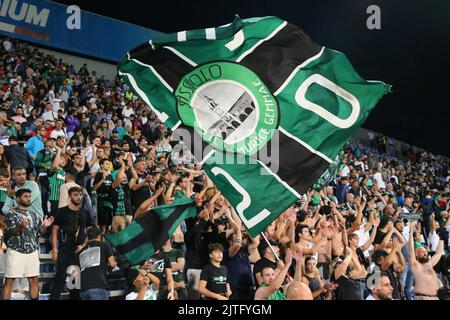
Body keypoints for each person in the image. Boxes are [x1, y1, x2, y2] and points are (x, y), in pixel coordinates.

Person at [2, 189, 54, 300]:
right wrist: (20, 226)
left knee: (34, 280)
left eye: (29, 196)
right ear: (18, 198)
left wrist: (44, 226)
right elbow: (9, 233)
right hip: (16, 251)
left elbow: (40, 233)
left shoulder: (34, 215)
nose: (28, 198)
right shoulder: (10, 214)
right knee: (9, 281)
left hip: (32, 251)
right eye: (25, 196)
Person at [51, 186, 93, 300]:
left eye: (80, 195)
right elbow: (54, 230)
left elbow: (91, 231)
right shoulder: (62, 211)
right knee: (60, 279)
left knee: (75, 284)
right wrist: (55, 249)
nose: (78, 197)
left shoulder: (85, 212)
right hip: (65, 249)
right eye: (75, 195)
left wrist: (84, 244)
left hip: (78, 250)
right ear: (70, 196)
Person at [77, 227, 117, 300]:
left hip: (83, 290)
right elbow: (112, 264)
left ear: (88, 237)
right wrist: (109, 268)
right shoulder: (104, 245)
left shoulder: (81, 251)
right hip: (98, 286)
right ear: (99, 236)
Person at [408, 220, 445, 300]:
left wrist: (442, 238)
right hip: (422, 297)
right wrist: (411, 232)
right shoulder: (415, 265)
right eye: (422, 252)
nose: (425, 253)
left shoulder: (429, 264)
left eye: (426, 252)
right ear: (416, 254)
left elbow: (438, 253)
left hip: (434, 297)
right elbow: (411, 250)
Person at [35, 137, 56, 216]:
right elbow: (37, 162)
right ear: (46, 142)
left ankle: (53, 214)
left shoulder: (57, 152)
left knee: (54, 195)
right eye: (50, 141)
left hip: (55, 176)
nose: (52, 142)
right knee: (44, 195)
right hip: (44, 175)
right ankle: (44, 214)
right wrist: (45, 166)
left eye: (53, 141)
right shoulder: (41, 152)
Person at [93, 158, 113, 233]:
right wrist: (102, 179)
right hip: (101, 200)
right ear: (101, 165)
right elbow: (94, 188)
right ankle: (102, 240)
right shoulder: (99, 174)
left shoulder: (110, 176)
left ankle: (106, 242)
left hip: (110, 201)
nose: (108, 165)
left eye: (109, 164)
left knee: (109, 224)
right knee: (103, 224)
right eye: (106, 163)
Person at [48, 143, 67, 215]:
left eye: (65, 160)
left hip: (62, 200)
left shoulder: (64, 172)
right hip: (53, 199)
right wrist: (58, 151)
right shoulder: (52, 169)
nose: (63, 161)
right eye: (61, 159)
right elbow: (55, 166)